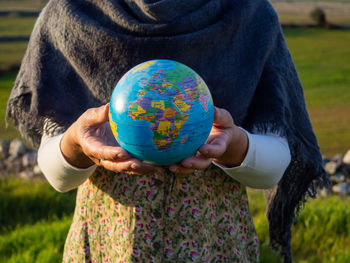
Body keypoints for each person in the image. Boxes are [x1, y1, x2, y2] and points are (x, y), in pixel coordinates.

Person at [6, 0, 328, 262]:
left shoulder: (249, 14)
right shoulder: (69, 14)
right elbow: (56, 174)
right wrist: (76, 145)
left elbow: (274, 163)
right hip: (110, 244)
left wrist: (236, 147)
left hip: (212, 243)